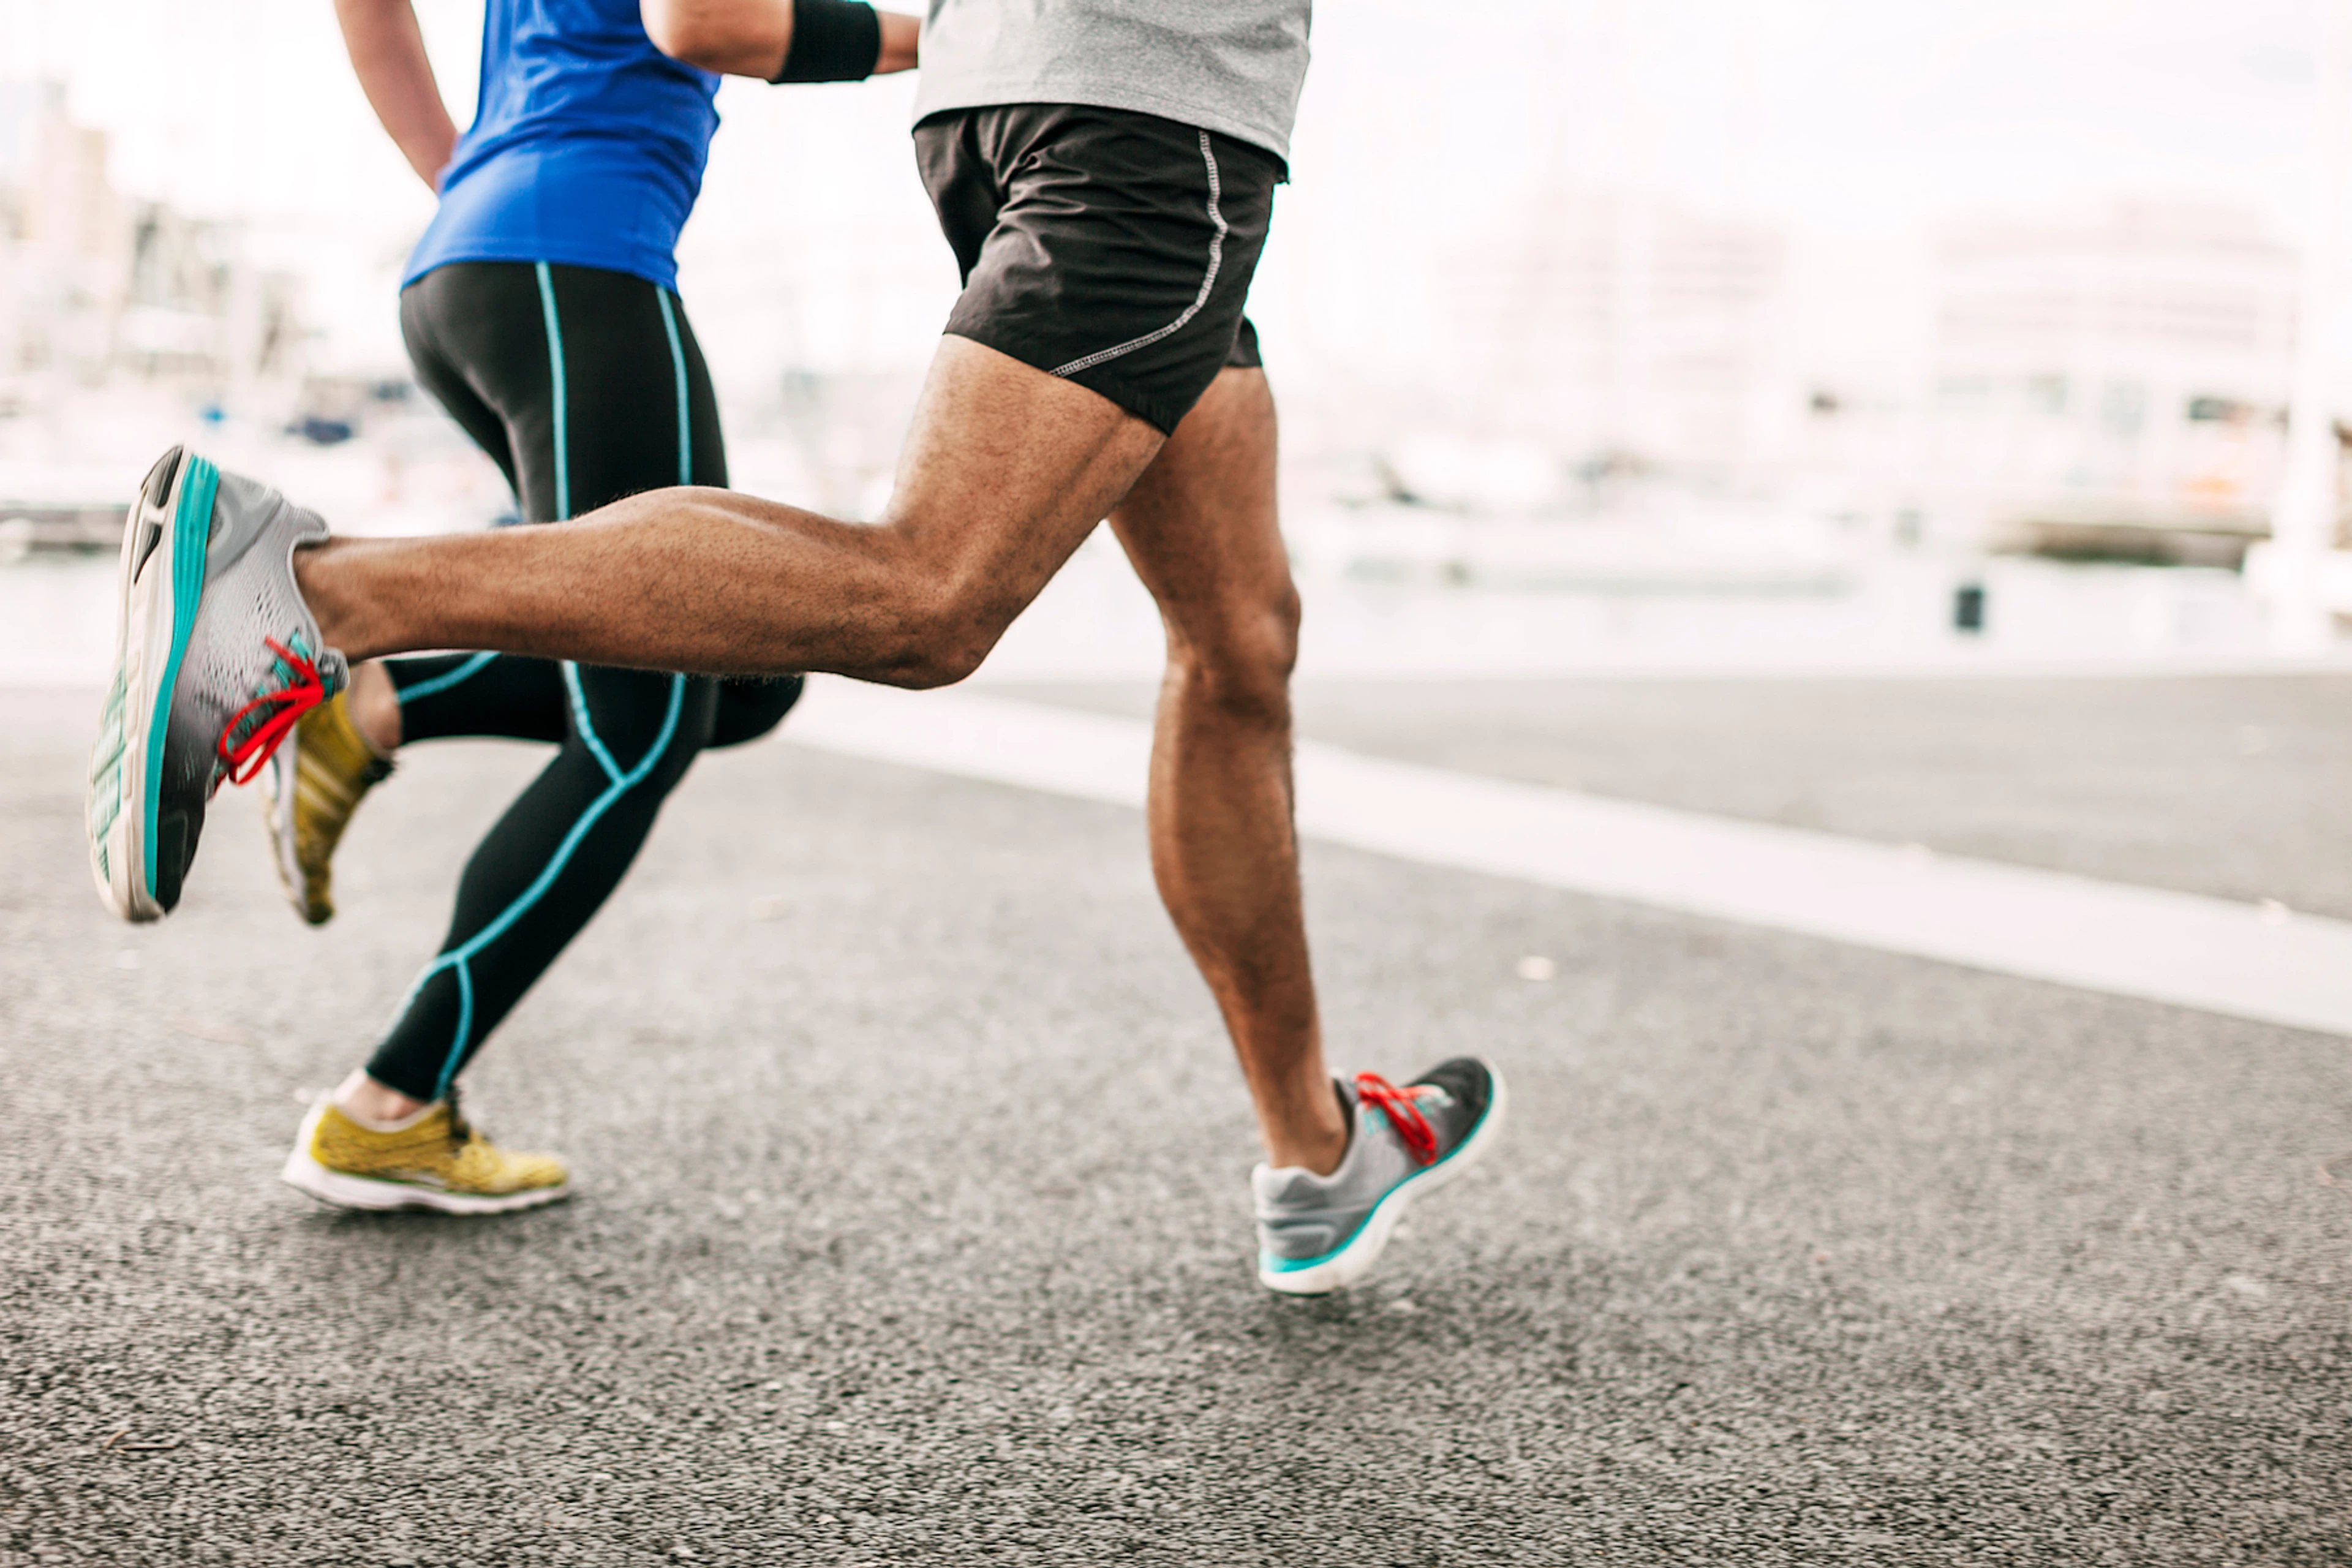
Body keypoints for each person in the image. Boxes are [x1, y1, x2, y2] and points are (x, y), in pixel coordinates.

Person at [85, 0, 1504, 1293]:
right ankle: (317, 597)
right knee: (921, 600)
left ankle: (1316, 1154)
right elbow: (701, 18)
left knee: (1238, 638)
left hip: (1040, 104)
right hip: (1147, 110)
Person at [178, 0, 917, 1215]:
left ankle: (369, 705)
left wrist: (467, 178)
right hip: (582, 270)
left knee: (745, 676)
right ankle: (390, 1106)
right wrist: (942, 34)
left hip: (472, 269)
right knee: (643, 731)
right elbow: (705, 23)